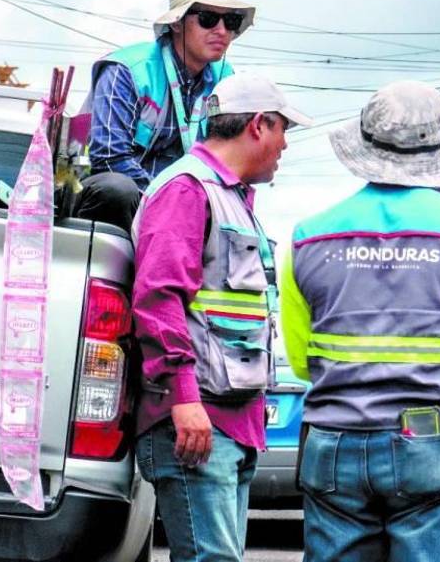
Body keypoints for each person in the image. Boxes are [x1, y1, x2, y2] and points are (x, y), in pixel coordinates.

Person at [280, 81, 440, 562]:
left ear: (364, 145)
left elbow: (300, 361)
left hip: (335, 447)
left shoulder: (304, 239)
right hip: (439, 445)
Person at [131, 71, 311, 562]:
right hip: (195, 421)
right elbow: (158, 298)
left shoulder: (230, 198)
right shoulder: (188, 191)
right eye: (283, 131)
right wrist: (183, 399)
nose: (285, 146)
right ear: (258, 125)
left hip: (230, 423)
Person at [74, 0, 256, 230]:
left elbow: (228, 162)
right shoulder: (127, 69)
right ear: (177, 23)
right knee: (117, 189)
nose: (222, 30)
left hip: (182, 205)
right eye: (208, 18)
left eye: (232, 20)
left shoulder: (226, 82)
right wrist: (170, 201)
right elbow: (109, 158)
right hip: (121, 199)